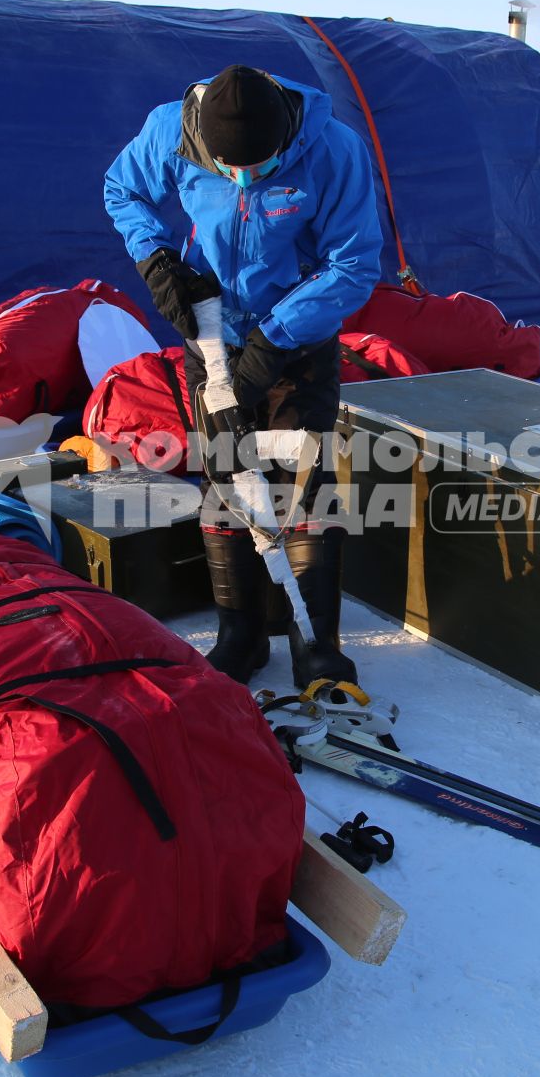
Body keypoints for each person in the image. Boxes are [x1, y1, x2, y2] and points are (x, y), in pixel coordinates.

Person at [105, 64, 382, 689]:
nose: (241, 179)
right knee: (226, 471)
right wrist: (155, 259)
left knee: (300, 477)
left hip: (296, 336)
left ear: (284, 141)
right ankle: (241, 634)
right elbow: (122, 189)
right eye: (229, 169)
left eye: (258, 170)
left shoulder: (334, 149)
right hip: (211, 330)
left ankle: (316, 644)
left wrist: (274, 340)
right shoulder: (170, 131)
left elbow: (354, 263)